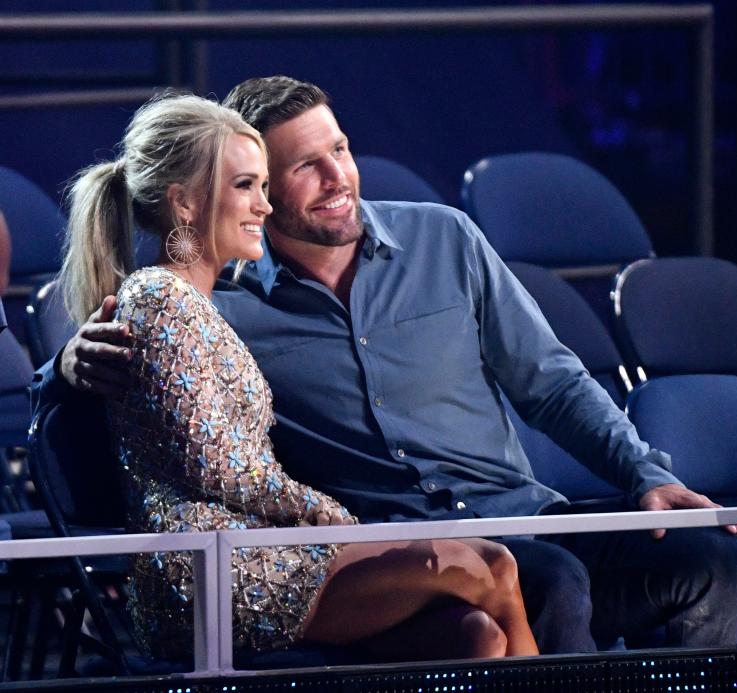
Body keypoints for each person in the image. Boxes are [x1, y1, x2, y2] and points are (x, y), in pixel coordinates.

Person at [40, 76, 737, 654]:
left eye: (340, 149)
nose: (338, 176)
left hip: (524, 514)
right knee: (551, 583)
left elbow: (554, 383)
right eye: (301, 168)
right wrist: (68, 364)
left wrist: (645, 472)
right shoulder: (220, 302)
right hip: (387, 545)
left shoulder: (447, 238)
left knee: (710, 557)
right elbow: (149, 390)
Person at [57, 92, 538, 662]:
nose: (264, 206)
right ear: (183, 204)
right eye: (244, 186)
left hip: (267, 546)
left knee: (474, 637)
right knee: (491, 566)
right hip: (212, 563)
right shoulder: (161, 297)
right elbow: (220, 467)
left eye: (263, 185)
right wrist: (330, 515)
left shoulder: (206, 304)